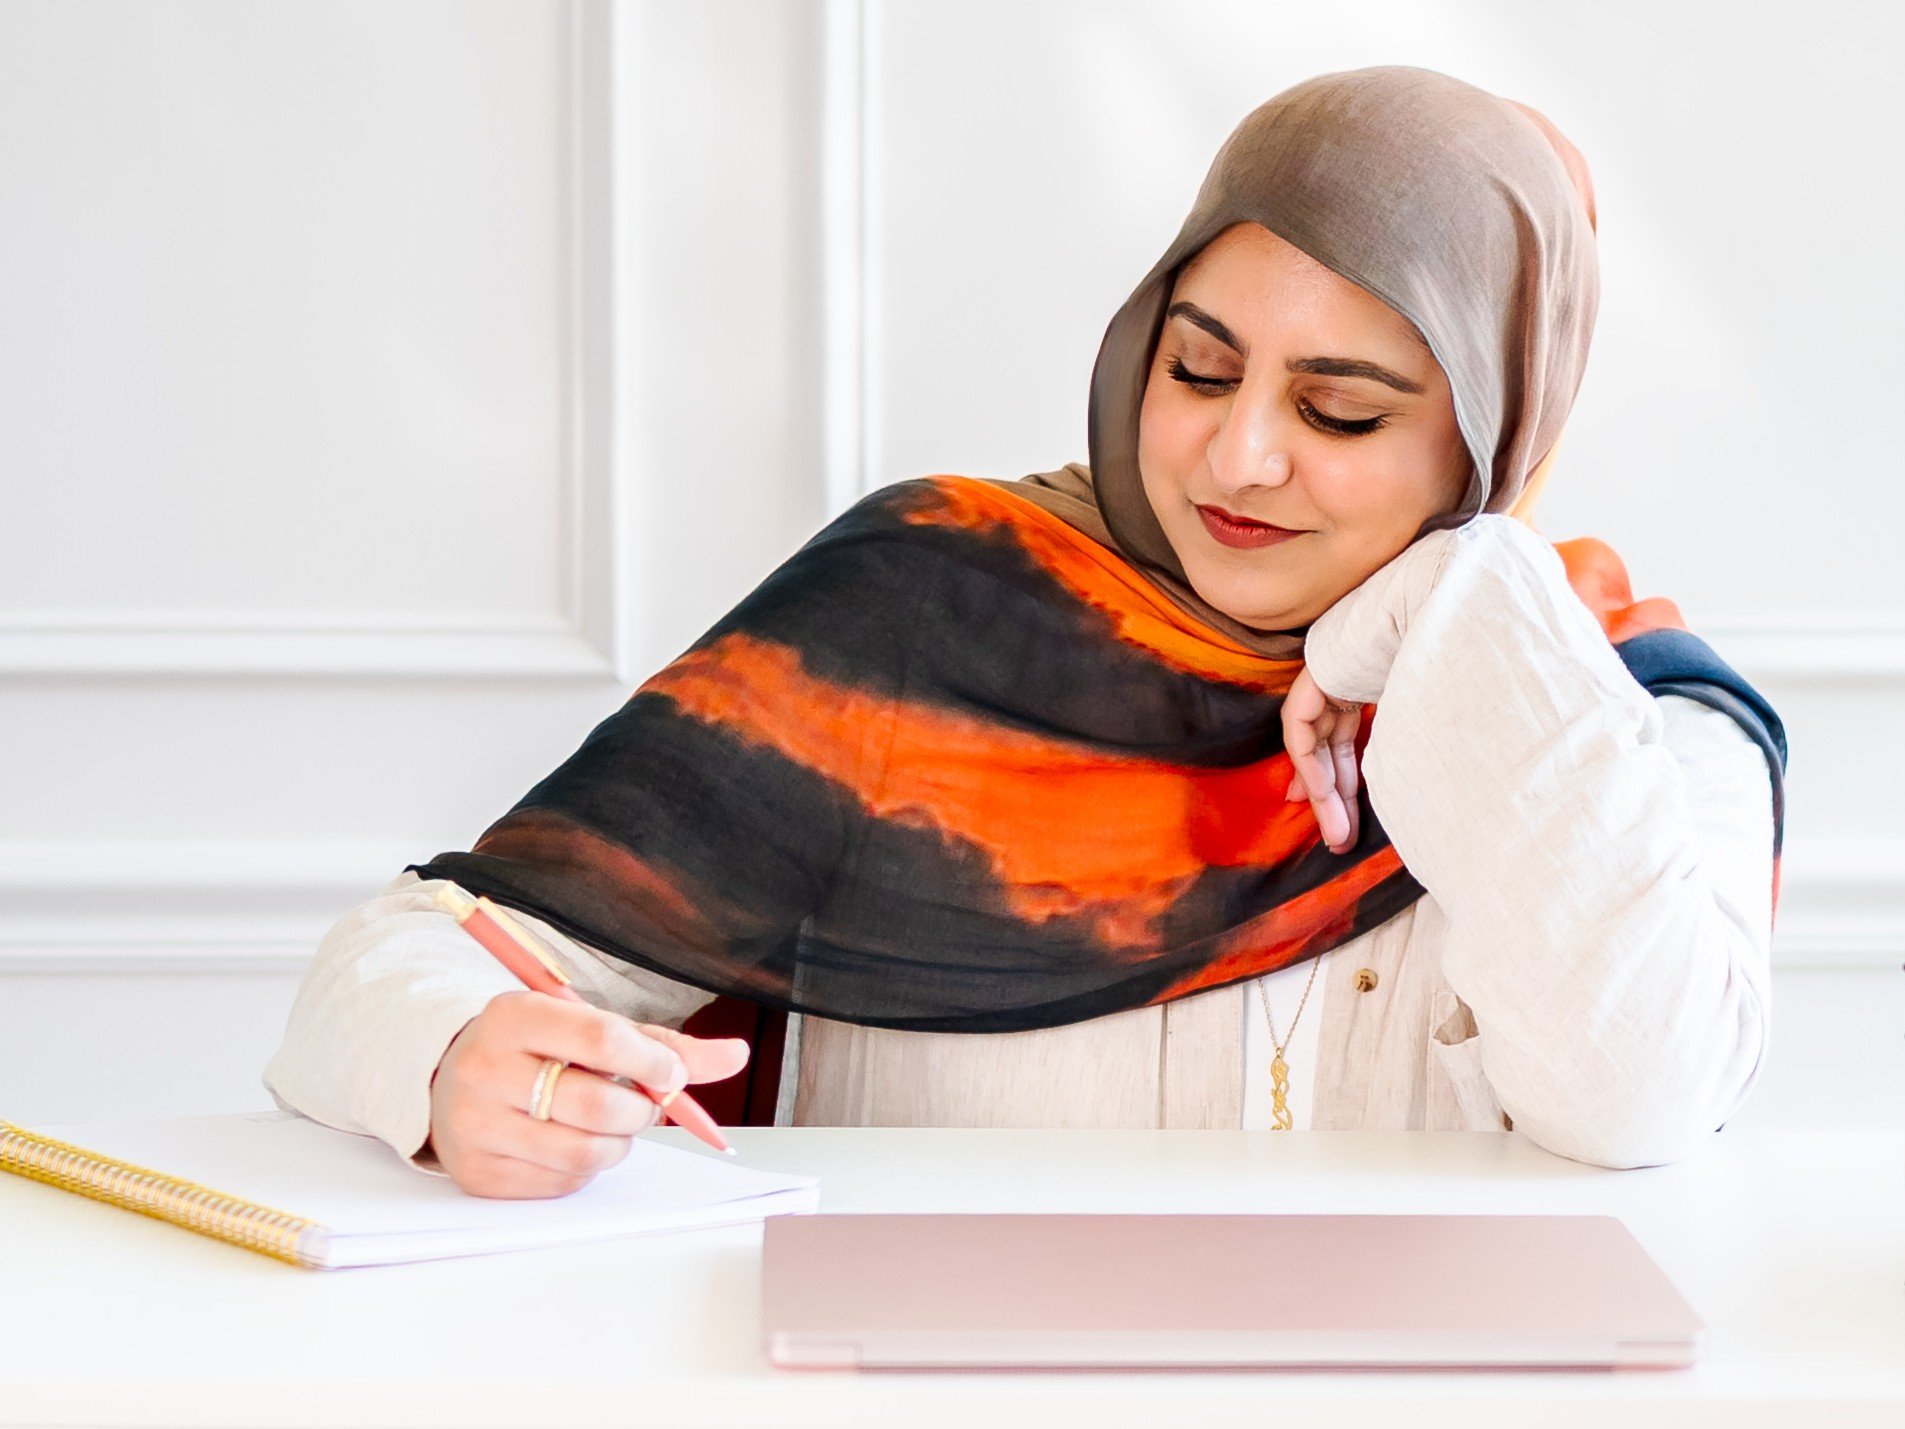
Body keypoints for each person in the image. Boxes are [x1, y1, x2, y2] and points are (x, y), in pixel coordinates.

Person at [263, 65, 1787, 1199]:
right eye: (1195, 370)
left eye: (1337, 408)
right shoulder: (926, 616)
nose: (1236, 457)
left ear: (1493, 429)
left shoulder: (1634, 719)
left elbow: (1634, 1097)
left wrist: (1460, 607)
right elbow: (383, 971)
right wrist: (459, 1062)